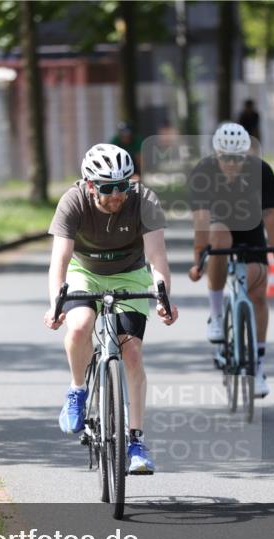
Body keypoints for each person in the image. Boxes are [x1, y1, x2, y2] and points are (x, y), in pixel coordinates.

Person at [44, 143, 178, 474]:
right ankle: (77, 390)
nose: (116, 195)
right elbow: (60, 260)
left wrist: (164, 298)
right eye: (107, 188)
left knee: (131, 352)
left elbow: (157, 257)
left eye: (122, 186)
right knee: (79, 325)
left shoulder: (144, 201)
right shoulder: (72, 201)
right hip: (85, 272)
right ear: (91, 185)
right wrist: (56, 304)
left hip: (130, 274)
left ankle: (136, 441)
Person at [187, 123, 274, 398]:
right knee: (220, 236)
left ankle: (258, 365)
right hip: (219, 223)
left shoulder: (261, 170)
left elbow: (271, 214)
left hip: (250, 226)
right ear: (216, 154)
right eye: (226, 158)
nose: (232, 164)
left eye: (238, 158)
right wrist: (199, 260)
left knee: (258, 291)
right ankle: (216, 315)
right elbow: (200, 221)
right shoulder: (204, 171)